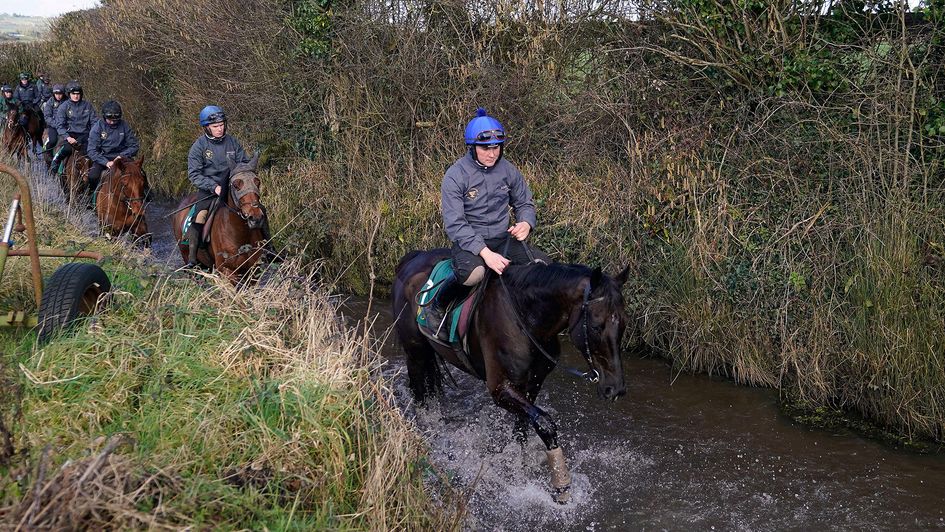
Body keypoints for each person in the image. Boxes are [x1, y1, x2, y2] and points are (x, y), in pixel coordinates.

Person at [428, 107, 548, 325]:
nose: (492, 154)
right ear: (472, 147)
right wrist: (486, 254)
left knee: (543, 267)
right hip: (470, 244)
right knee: (474, 274)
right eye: (485, 149)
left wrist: (526, 223)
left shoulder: (508, 170)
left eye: (496, 148)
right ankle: (438, 306)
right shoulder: (455, 175)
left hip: (502, 239)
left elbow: (524, 202)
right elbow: (455, 224)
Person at [184, 105, 250, 267]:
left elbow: (244, 164)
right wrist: (214, 186)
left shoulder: (233, 142)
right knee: (199, 217)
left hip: (233, 188)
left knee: (258, 210)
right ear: (206, 128)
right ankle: (193, 258)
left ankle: (269, 248)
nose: (219, 129)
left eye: (221, 125)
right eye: (215, 126)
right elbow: (194, 174)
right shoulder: (198, 147)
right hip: (209, 190)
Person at [87, 100, 140, 193]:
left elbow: (134, 145)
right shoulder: (97, 128)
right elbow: (91, 150)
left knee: (140, 172)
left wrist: (122, 156)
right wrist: (106, 162)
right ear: (104, 116)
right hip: (103, 158)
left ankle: (145, 197)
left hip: (122, 157)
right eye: (109, 120)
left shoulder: (124, 126)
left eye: (114, 120)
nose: (111, 122)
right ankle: (90, 200)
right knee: (92, 176)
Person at [50, 80, 97, 177]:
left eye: (78, 94)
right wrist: (67, 137)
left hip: (85, 136)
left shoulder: (88, 106)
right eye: (73, 94)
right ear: (69, 94)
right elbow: (60, 125)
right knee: (66, 149)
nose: (76, 96)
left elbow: (94, 123)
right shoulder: (64, 107)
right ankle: (55, 162)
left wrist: (92, 136)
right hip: (70, 135)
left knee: (93, 153)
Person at [42, 84, 65, 165]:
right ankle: (48, 156)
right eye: (56, 94)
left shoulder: (67, 102)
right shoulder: (50, 102)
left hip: (65, 127)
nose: (58, 96)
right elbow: (47, 117)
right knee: (52, 140)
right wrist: (56, 124)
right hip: (54, 126)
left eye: (60, 94)